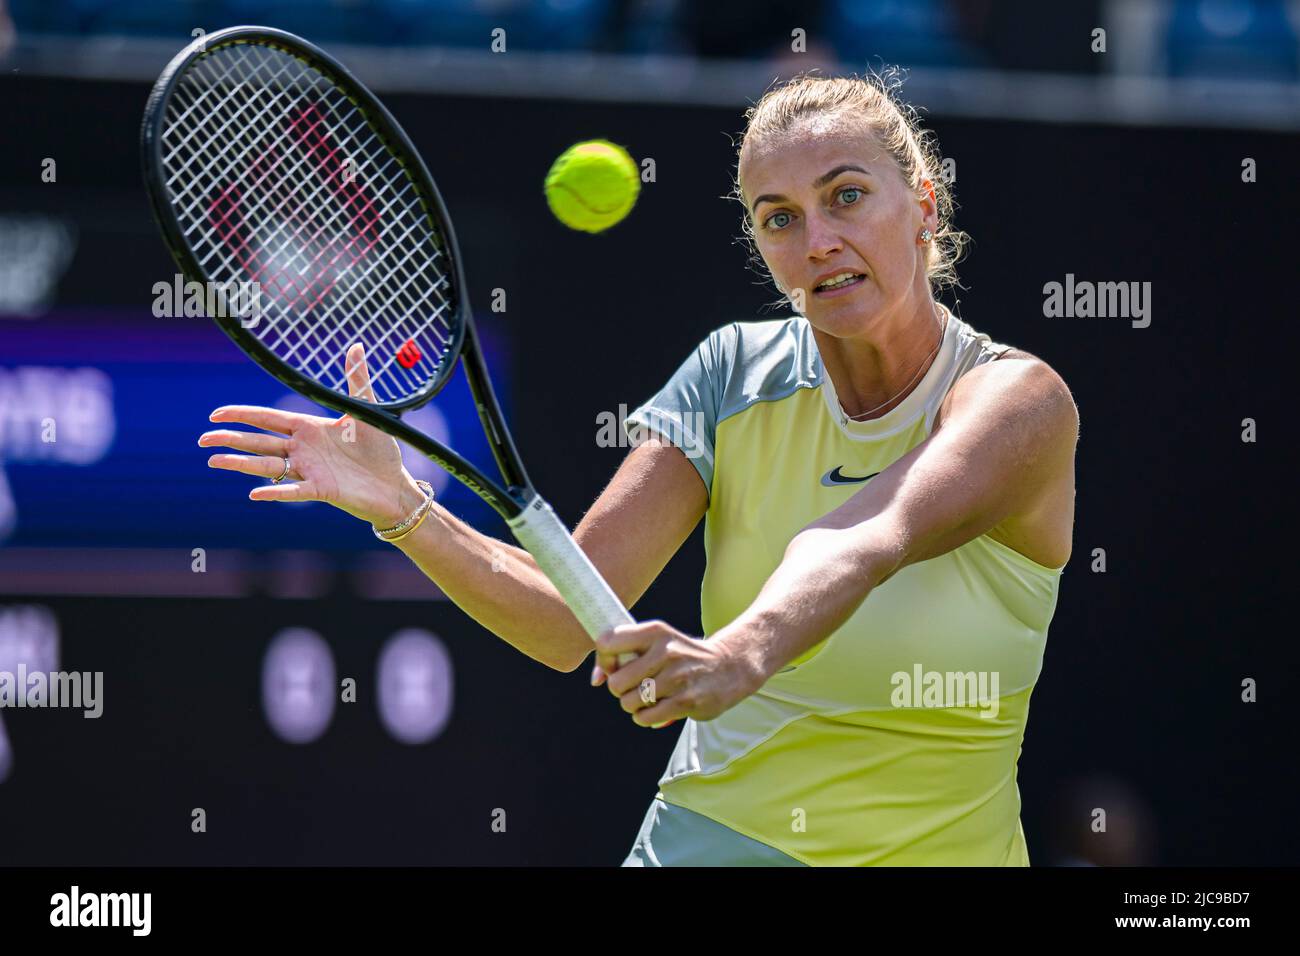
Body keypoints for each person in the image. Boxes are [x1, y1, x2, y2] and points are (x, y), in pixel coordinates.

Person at [199, 71, 1078, 866]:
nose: (816, 241)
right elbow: (565, 619)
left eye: (846, 197)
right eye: (779, 218)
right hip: (720, 842)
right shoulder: (732, 373)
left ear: (923, 203)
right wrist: (404, 508)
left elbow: (866, 536)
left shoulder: (1018, 402)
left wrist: (738, 652)